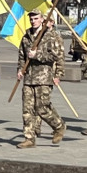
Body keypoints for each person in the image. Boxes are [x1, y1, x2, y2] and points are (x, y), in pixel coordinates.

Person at [16, 10, 65, 149]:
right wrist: (20, 70)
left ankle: (59, 125)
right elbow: (21, 56)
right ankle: (29, 138)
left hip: (43, 77)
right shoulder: (26, 37)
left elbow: (54, 56)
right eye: (31, 19)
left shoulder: (49, 36)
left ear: (42, 19)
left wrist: (37, 55)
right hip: (28, 78)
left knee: (42, 107)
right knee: (27, 109)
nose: (33, 21)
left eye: (36, 18)